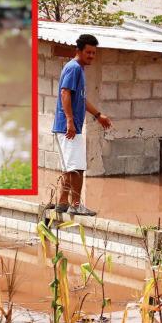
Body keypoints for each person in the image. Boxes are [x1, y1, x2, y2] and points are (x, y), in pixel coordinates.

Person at [48, 34, 112, 216]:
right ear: (79, 51)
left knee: (71, 167)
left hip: (71, 126)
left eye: (94, 53)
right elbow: (65, 93)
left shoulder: (79, 70)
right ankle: (76, 205)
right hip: (68, 127)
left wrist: (98, 115)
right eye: (88, 52)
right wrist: (69, 120)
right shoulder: (74, 68)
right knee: (77, 168)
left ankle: (62, 203)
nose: (91, 56)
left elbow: (81, 100)